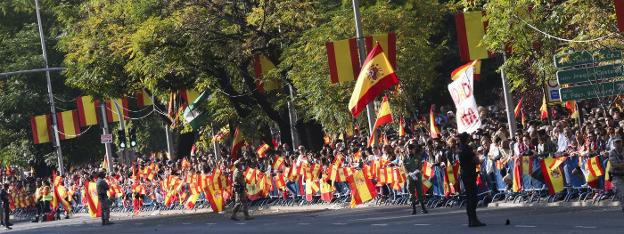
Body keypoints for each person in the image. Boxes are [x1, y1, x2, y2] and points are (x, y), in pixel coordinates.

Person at [457, 132, 486, 227]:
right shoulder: (467, 148)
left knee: (469, 197)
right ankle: (473, 219)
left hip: (465, 174)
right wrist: (480, 159)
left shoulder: (460, 148)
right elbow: (475, 160)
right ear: (466, 139)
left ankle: (471, 220)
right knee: (473, 198)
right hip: (470, 174)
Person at [403, 143, 428, 215]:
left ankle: (423, 208)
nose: (410, 151)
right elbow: (404, 168)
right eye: (409, 149)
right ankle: (414, 209)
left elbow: (420, 166)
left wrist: (416, 171)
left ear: (414, 150)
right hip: (410, 178)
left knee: (420, 192)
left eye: (412, 149)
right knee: (411, 193)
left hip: (417, 176)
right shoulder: (405, 158)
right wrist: (409, 174)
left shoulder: (418, 157)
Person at [608, 137, 624, 212]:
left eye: (619, 142)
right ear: (614, 144)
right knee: (621, 192)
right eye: (616, 143)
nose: (618, 144)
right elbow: (616, 165)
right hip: (616, 175)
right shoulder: (612, 153)